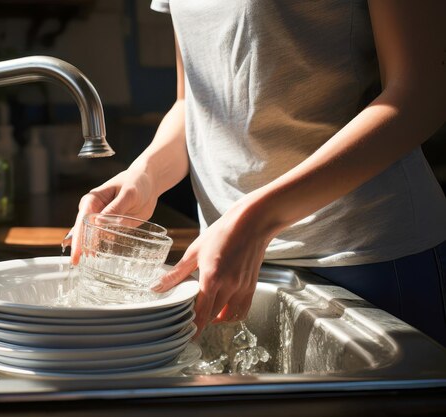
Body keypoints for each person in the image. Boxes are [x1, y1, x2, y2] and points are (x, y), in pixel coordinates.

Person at [69, 0, 446, 345]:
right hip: (227, 258)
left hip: (364, 257)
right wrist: (146, 175)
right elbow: (194, 102)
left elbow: (423, 94)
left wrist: (257, 217)